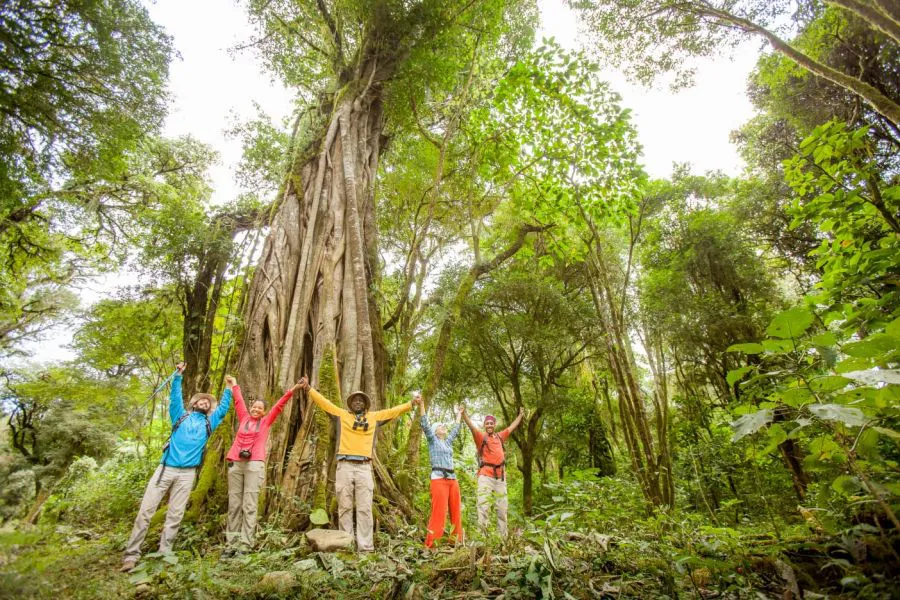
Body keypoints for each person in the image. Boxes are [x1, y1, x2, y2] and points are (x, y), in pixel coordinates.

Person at [120, 362, 232, 572]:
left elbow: (224, 408)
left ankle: (164, 553)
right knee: (146, 511)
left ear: (210, 409)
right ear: (194, 403)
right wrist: (178, 376)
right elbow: (175, 398)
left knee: (175, 515)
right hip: (166, 469)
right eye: (202, 400)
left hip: (187, 474)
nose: (205, 402)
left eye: (208, 402)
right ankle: (131, 555)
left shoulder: (209, 423)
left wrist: (228, 387)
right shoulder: (180, 416)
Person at [296, 376, 412, 552]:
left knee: (365, 507)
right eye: (355, 400)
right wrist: (309, 388)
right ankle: (346, 544)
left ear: (365, 404)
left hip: (364, 467)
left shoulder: (374, 417)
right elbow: (325, 403)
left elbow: (392, 411)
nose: (357, 402)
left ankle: (365, 547)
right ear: (350, 404)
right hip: (344, 466)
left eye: (361, 400)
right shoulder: (341, 415)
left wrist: (411, 404)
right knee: (344, 506)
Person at [222, 376, 303, 557]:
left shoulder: (265, 422)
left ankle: (245, 545)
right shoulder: (243, 418)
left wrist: (294, 389)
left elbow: (279, 405)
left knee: (249, 505)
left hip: (254, 464)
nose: (256, 409)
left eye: (260, 408)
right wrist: (234, 384)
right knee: (234, 505)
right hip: (235, 463)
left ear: (264, 411)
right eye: (254, 406)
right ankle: (230, 545)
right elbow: (239, 401)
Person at [461, 405, 524, 538]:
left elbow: (512, 427)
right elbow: (472, 427)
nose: (489, 425)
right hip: (485, 476)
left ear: (494, 425)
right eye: (487, 423)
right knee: (483, 506)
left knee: (502, 508)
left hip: (500, 478)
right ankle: (482, 538)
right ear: (484, 425)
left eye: (491, 423)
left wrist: (520, 416)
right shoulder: (481, 437)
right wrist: (464, 414)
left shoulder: (500, 437)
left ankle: (503, 537)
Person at [414, 394, 464, 548]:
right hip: (438, 479)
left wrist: (459, 414)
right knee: (439, 512)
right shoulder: (432, 440)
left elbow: (455, 430)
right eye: (441, 426)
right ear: (436, 431)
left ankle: (456, 541)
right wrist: (421, 404)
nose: (444, 427)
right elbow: (424, 424)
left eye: (444, 426)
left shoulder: (447, 443)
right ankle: (432, 544)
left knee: (456, 510)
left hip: (452, 479)